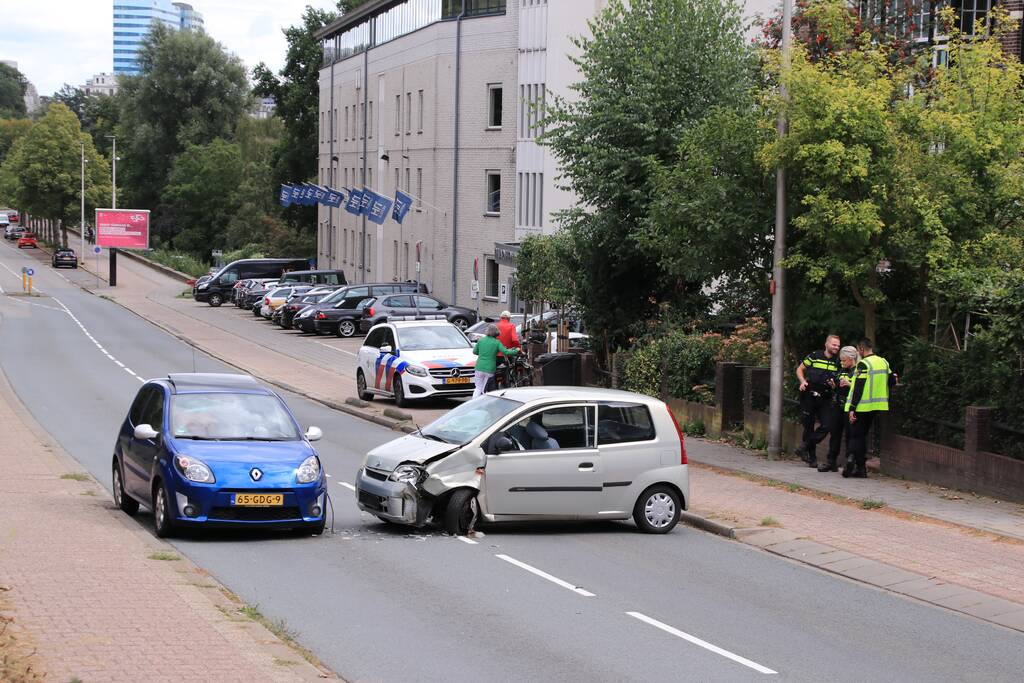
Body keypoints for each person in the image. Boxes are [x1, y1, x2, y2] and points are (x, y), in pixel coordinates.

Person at [843, 338, 896, 478]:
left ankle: (852, 459)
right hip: (877, 406)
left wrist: (852, 408)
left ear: (861, 349)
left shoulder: (863, 364)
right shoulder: (884, 362)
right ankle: (861, 469)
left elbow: (858, 387)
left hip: (861, 406)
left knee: (856, 435)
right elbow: (892, 381)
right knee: (862, 435)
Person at [795, 334, 842, 468]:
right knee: (808, 426)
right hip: (809, 396)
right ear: (826, 344)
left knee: (827, 425)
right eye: (834, 344)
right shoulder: (814, 356)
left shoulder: (837, 362)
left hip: (825, 398)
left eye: (838, 345)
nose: (836, 347)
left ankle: (804, 446)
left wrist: (834, 385)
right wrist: (803, 381)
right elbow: (799, 369)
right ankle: (811, 458)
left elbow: (837, 381)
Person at [818, 346, 858, 472]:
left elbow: (862, 389)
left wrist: (849, 384)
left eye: (844, 360)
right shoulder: (841, 370)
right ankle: (831, 461)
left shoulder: (858, 371)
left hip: (849, 407)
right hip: (837, 406)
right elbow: (837, 387)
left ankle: (850, 463)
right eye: (841, 360)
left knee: (850, 435)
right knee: (835, 433)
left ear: (852, 359)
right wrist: (833, 385)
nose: (842, 363)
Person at [472, 324, 518, 398]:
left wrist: (482, 353)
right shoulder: (497, 342)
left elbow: (474, 351)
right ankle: (478, 405)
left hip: (478, 367)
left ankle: (473, 404)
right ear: (496, 333)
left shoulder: (481, 340)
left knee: (478, 388)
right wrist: (516, 350)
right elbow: (506, 352)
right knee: (483, 389)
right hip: (489, 369)